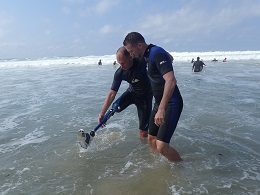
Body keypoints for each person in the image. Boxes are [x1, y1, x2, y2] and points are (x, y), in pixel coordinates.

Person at [123, 32, 183, 162]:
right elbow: (170, 58)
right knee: (151, 139)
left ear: (139, 45)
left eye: (131, 51)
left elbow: (171, 80)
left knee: (161, 146)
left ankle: (182, 167)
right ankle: (157, 168)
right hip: (159, 102)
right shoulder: (146, 54)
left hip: (171, 102)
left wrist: (161, 109)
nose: (131, 54)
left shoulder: (156, 53)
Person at [98, 47, 153, 138]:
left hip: (145, 97)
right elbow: (112, 93)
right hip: (132, 93)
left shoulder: (141, 61)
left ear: (130, 56)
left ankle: (145, 146)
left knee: (143, 132)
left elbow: (156, 57)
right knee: (115, 107)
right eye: (119, 63)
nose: (121, 66)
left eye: (123, 63)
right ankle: (104, 121)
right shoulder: (120, 73)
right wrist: (102, 113)